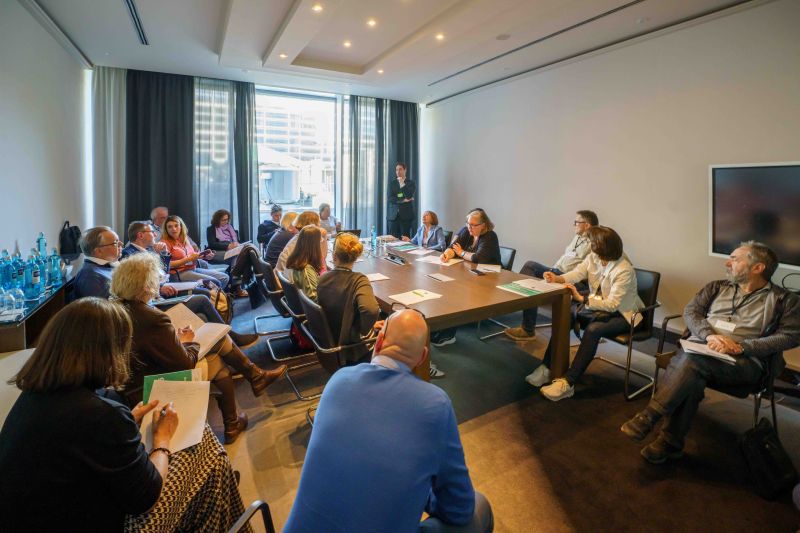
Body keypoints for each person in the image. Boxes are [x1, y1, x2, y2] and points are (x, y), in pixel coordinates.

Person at [0, 298, 243, 531]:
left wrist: (129, 421)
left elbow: (83, 449)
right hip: (93, 521)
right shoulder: (101, 413)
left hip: (36, 519)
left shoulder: (33, 397)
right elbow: (146, 496)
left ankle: (218, 495)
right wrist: (162, 440)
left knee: (208, 466)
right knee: (204, 451)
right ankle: (224, 502)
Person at [284, 309, 494, 533]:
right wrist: (421, 493)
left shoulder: (338, 380)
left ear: (379, 340)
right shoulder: (435, 405)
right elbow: (459, 508)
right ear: (422, 357)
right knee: (479, 506)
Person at [621, 241, 800, 464]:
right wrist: (709, 336)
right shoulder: (717, 287)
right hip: (700, 348)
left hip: (745, 361)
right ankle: (669, 442)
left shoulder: (785, 300)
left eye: (735, 259)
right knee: (693, 372)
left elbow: (790, 336)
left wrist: (743, 346)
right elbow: (691, 312)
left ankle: (649, 417)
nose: (727, 263)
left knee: (691, 362)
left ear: (758, 267)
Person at [110, 253, 287, 444]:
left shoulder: (116, 310)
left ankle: (241, 408)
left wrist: (174, 338)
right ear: (146, 285)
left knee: (219, 351)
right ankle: (246, 395)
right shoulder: (152, 318)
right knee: (218, 359)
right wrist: (186, 341)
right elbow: (185, 363)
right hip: (154, 385)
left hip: (131, 384)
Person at [529, 226, 643, 401]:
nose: (590, 245)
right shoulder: (594, 258)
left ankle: (568, 383)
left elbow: (613, 305)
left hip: (624, 315)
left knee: (593, 330)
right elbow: (577, 274)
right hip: (599, 308)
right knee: (567, 315)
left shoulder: (624, 269)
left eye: (592, 242)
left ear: (601, 246)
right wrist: (557, 278)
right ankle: (547, 367)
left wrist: (581, 299)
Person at [120, 221, 259, 348]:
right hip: (156, 299)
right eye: (152, 232)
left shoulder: (150, 250)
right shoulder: (129, 255)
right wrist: (161, 287)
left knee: (205, 292)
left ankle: (223, 334)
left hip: (166, 288)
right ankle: (229, 336)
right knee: (203, 298)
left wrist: (163, 253)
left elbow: (163, 271)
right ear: (140, 235)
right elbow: (139, 285)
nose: (155, 234)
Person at [505, 210, 598, 341]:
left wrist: (557, 275)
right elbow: (567, 257)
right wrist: (553, 271)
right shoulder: (577, 237)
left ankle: (526, 327)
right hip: (557, 271)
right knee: (530, 273)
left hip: (574, 280)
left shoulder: (595, 243)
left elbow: (584, 272)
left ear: (587, 225)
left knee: (530, 266)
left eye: (576, 222)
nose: (574, 225)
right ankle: (520, 305)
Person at [431, 209, 501, 349]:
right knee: (447, 289)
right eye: (468, 223)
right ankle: (437, 326)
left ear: (483, 225)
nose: (470, 227)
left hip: (488, 278)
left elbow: (477, 258)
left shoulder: (490, 236)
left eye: (474, 225)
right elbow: (452, 247)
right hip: (470, 274)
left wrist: (461, 253)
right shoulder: (466, 231)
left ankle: (448, 334)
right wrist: (447, 254)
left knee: (457, 295)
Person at [316, 232, 380, 364]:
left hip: (328, 342)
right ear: (355, 258)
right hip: (352, 349)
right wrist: (365, 329)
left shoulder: (322, 279)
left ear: (334, 256)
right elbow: (371, 311)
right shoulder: (359, 280)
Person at [205, 209, 265, 298]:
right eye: (223, 220)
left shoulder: (230, 227)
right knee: (237, 257)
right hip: (215, 253)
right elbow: (212, 244)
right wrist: (228, 246)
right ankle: (238, 286)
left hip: (232, 251)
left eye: (227, 219)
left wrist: (238, 245)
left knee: (244, 256)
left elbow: (237, 241)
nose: (226, 222)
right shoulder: (211, 229)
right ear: (217, 220)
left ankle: (242, 283)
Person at [161, 215, 229, 288]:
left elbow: (192, 255)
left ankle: (216, 294)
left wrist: (204, 256)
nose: (173, 229)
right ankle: (215, 294)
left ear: (181, 226)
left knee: (224, 277)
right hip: (178, 273)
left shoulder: (185, 239)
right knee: (215, 282)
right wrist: (188, 259)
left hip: (192, 269)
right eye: (170, 227)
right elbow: (168, 264)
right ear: (166, 229)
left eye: (176, 225)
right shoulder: (164, 243)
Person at [72, 226, 122, 300]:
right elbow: (103, 306)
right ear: (99, 251)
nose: (121, 244)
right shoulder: (90, 277)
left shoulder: (107, 266)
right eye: (115, 243)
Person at [285, 225, 325, 301]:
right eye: (320, 241)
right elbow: (313, 299)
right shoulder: (306, 269)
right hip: (305, 306)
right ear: (315, 245)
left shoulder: (296, 259)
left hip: (298, 301)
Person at [387, 162, 416, 239]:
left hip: (405, 217)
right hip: (393, 217)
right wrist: (402, 200)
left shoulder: (410, 183)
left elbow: (408, 195)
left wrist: (402, 183)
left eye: (400, 169)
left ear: (405, 170)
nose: (398, 172)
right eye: (396, 170)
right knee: (392, 240)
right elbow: (390, 198)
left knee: (404, 240)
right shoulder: (392, 183)